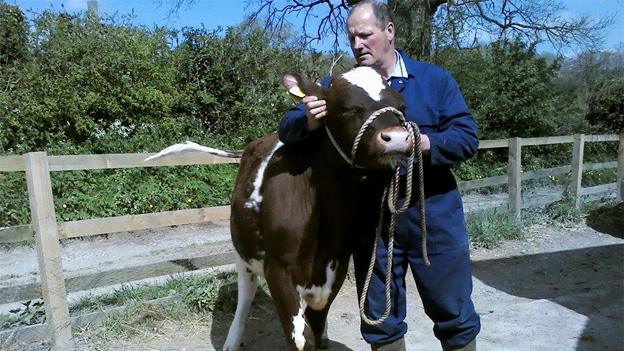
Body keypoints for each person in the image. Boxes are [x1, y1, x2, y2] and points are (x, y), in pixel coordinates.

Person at [277, 1, 481, 350]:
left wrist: (423, 142)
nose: (357, 44)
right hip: (371, 222)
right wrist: (308, 120)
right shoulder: (340, 87)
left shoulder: (433, 80)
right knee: (380, 317)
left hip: (432, 212)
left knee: (454, 312)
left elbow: (466, 137)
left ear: (389, 31)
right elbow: (287, 127)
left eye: (366, 35)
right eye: (352, 37)